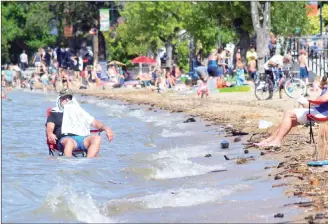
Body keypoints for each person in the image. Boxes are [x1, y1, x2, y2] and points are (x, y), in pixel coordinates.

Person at [255, 77, 328, 147]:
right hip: (319, 110)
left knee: (289, 113)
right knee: (290, 120)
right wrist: (322, 86)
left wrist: (310, 102)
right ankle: (269, 140)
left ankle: (277, 141)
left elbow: (323, 99)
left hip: (322, 113)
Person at [46, 88, 114, 157]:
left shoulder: (79, 111)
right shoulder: (55, 112)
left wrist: (106, 128)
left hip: (81, 139)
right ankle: (67, 166)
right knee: (69, 142)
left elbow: (95, 123)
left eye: (69, 97)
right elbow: (50, 126)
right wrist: (50, 133)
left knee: (97, 138)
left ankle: (89, 164)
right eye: (64, 97)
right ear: (60, 99)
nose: (67, 100)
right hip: (65, 139)